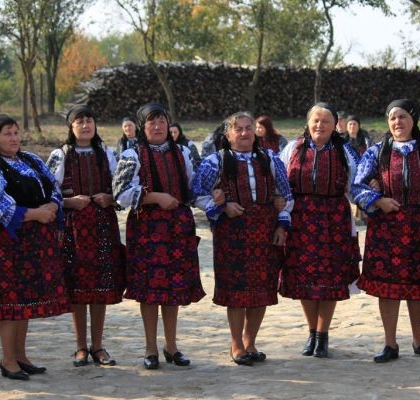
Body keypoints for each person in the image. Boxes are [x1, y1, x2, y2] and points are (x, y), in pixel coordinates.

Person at [0, 114, 70, 380]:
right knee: (9, 300)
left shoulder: (31, 160)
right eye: (7, 133)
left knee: (23, 299)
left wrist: (52, 205)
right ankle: (7, 359)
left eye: (16, 133)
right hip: (6, 245)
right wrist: (34, 214)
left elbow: (53, 187)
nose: (14, 138)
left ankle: (20, 355)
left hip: (32, 243)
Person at [352, 99, 420, 363]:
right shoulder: (376, 152)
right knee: (387, 287)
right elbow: (357, 185)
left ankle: (419, 340)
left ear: (413, 119)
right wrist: (378, 200)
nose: (397, 122)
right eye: (392, 118)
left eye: (403, 116)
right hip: (387, 227)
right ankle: (390, 343)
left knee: (419, 286)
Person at [193, 111, 293, 366]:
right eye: (238, 129)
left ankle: (251, 342)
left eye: (249, 128)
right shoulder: (215, 161)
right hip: (232, 234)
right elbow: (197, 194)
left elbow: (286, 194)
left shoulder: (270, 158)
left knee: (262, 289)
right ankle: (236, 343)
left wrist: (282, 224)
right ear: (228, 134)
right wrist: (222, 206)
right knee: (236, 291)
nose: (245, 133)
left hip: (264, 232)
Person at [113, 102, 205, 370]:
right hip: (147, 228)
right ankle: (150, 347)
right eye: (151, 122)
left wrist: (213, 197)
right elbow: (120, 193)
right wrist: (155, 197)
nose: (157, 126)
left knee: (173, 288)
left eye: (162, 121)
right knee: (149, 290)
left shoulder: (182, 152)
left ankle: (171, 345)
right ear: (143, 127)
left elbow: (192, 188)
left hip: (177, 227)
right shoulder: (133, 154)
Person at [279, 102, 360, 358]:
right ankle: (312, 331)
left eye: (325, 121)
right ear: (308, 122)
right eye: (315, 120)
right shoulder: (292, 149)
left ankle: (323, 335)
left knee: (329, 279)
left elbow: (356, 185)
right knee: (304, 279)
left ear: (335, 125)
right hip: (300, 220)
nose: (319, 125)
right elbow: (279, 182)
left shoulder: (345, 152)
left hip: (333, 221)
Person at [47, 105, 125, 367]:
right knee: (78, 287)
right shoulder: (60, 155)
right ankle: (80, 346)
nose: (85, 125)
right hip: (73, 228)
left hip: (103, 226)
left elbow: (122, 188)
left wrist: (110, 198)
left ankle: (98, 346)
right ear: (71, 127)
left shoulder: (106, 153)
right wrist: (69, 202)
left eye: (89, 120)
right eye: (79, 121)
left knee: (100, 287)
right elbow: (47, 191)